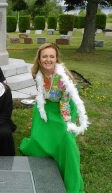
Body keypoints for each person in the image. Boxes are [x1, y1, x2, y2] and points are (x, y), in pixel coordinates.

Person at [20, 43, 89, 193]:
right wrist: (42, 108)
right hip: (44, 107)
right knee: (40, 136)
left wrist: (66, 123)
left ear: (56, 58)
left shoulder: (62, 78)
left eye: (52, 56)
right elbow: (41, 93)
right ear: (39, 58)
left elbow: (65, 103)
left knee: (64, 137)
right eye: (45, 56)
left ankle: (70, 177)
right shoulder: (37, 73)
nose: (48, 59)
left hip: (63, 108)